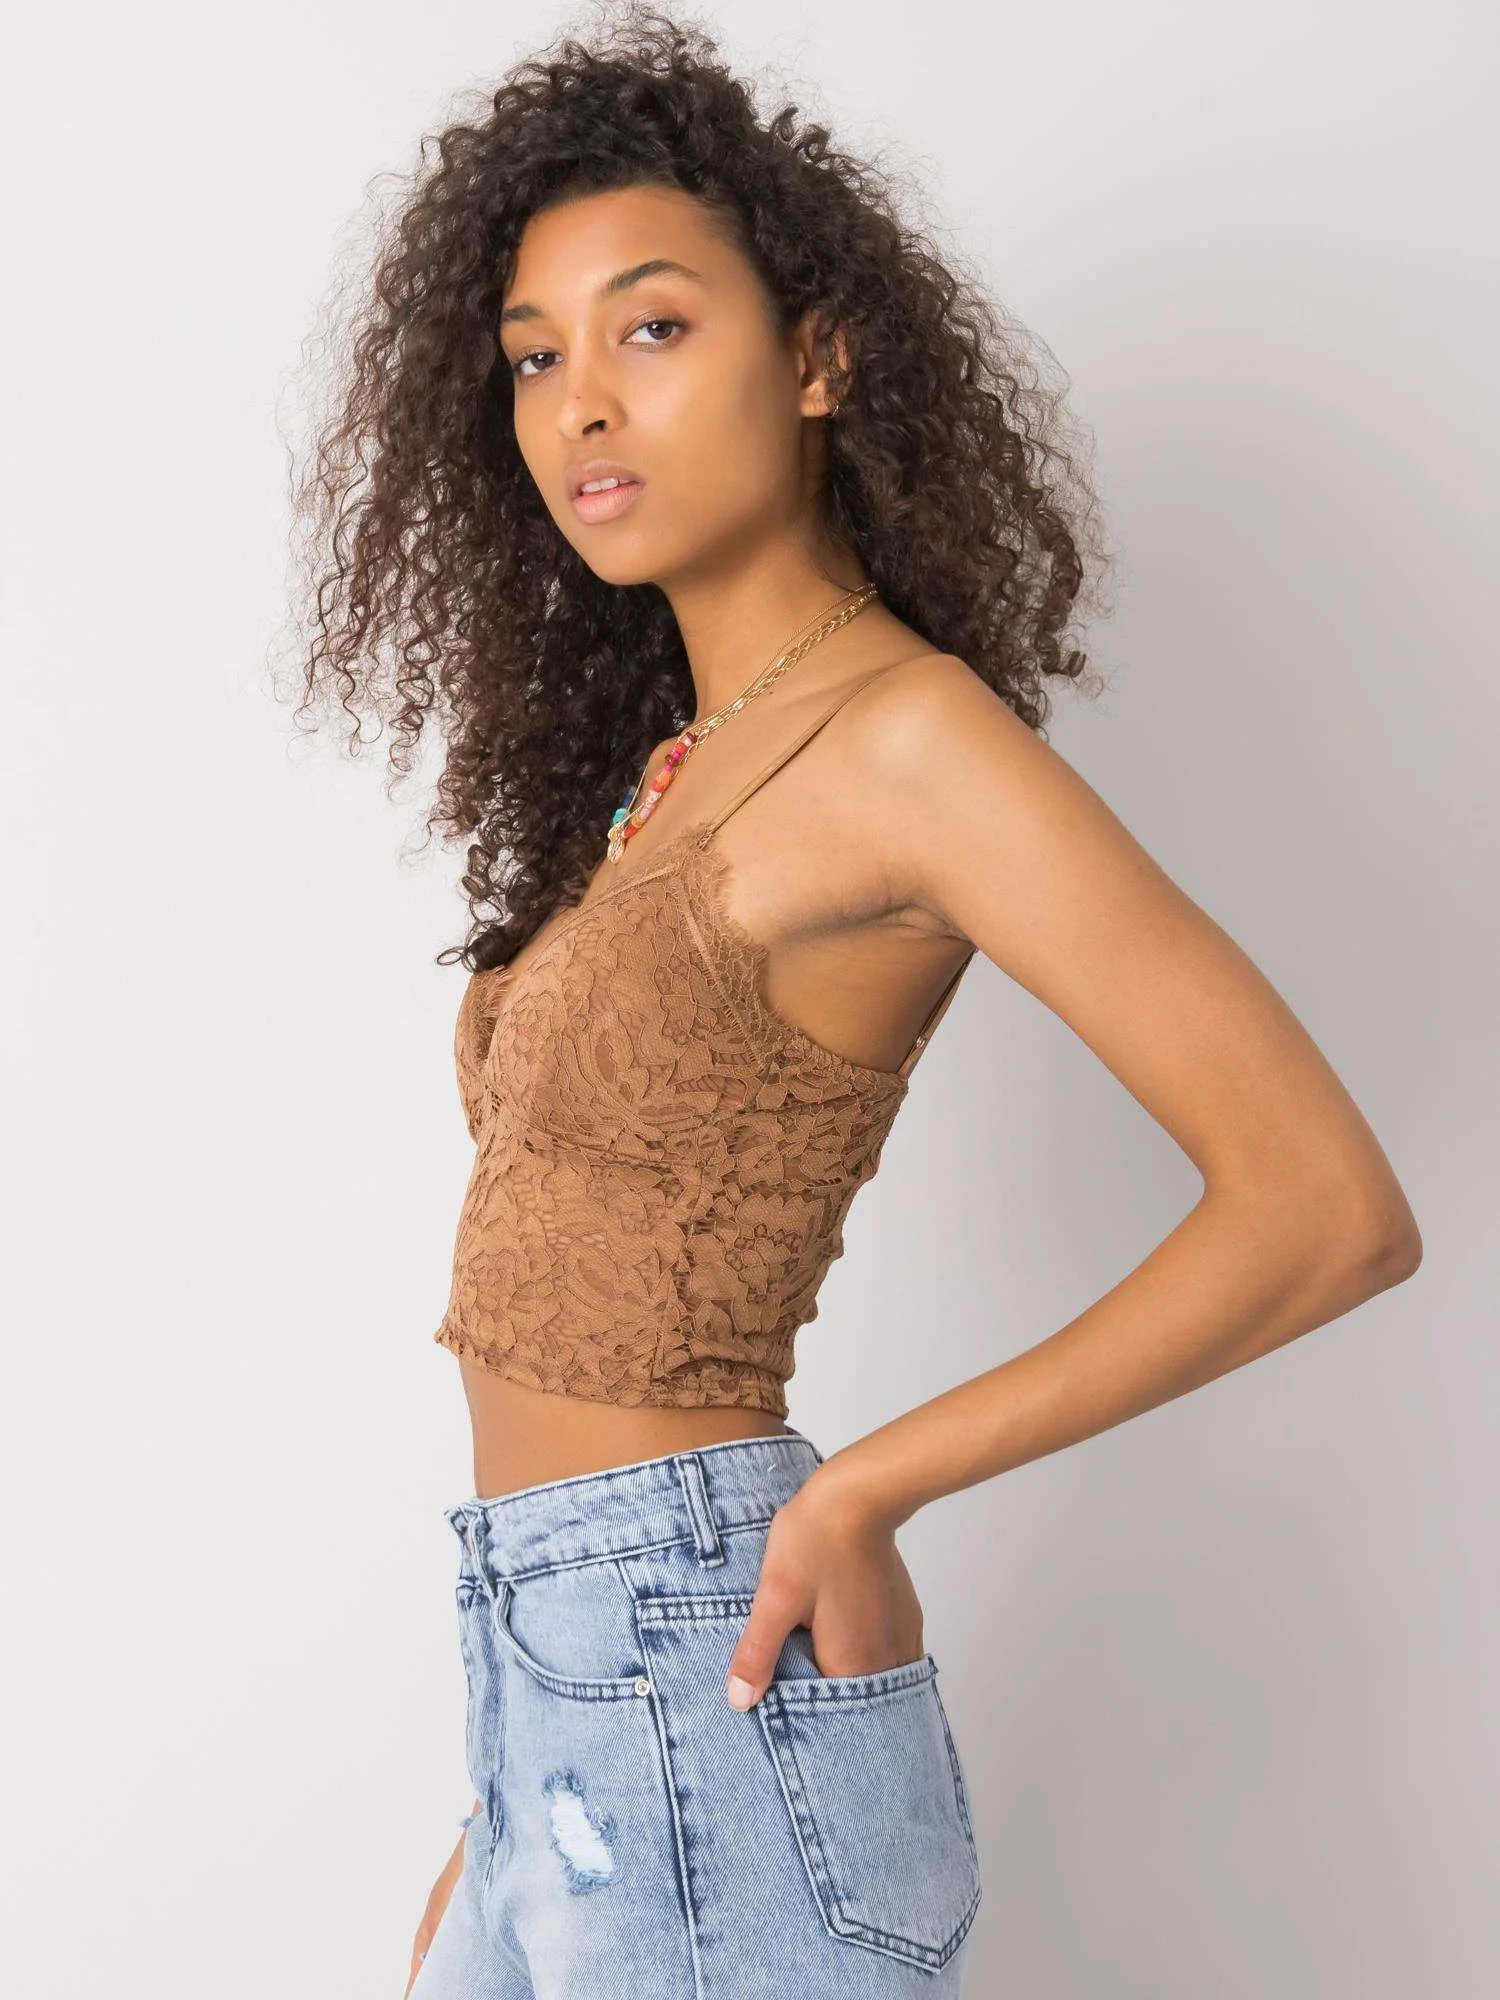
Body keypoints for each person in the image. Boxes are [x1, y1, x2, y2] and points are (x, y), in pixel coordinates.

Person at [283, 11, 1421, 1995]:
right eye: (536, 357)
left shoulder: (913, 742)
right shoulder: (674, 766)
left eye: (652, 327)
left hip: (696, 1645)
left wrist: (873, 1481)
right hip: (562, 1685)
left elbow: (1325, 1207)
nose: (582, 405)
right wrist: (519, 1774)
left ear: (815, 358)